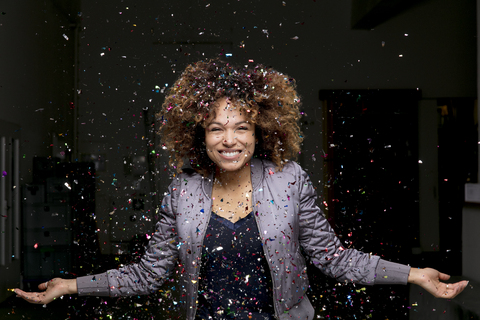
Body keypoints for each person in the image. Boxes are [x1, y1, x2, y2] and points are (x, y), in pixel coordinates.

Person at [15, 59, 468, 319]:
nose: (228, 139)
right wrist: (71, 285)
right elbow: (147, 274)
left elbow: (335, 258)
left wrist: (414, 274)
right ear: (200, 135)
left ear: (261, 132)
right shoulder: (182, 192)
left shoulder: (289, 181)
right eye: (216, 128)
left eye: (241, 127)